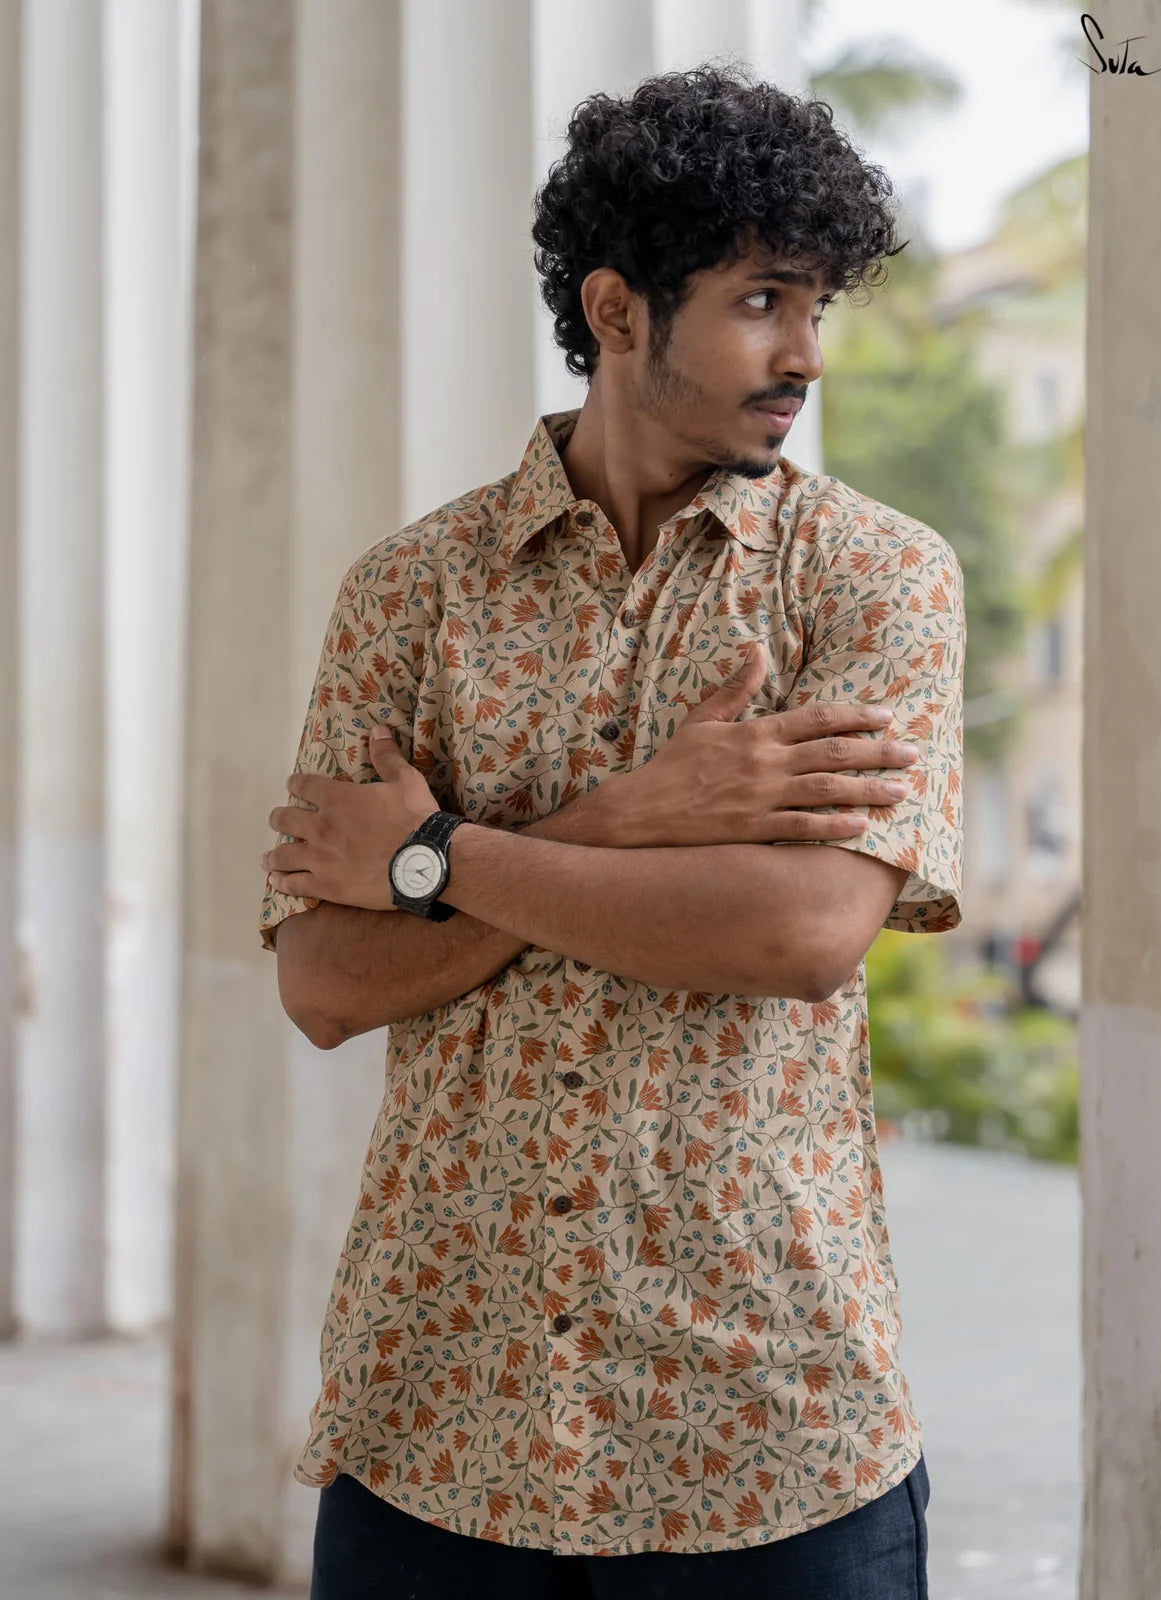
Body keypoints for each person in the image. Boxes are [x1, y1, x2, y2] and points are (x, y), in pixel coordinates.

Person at [259, 60, 963, 1600]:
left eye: (817, 307)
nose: (805, 354)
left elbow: (800, 934)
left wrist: (435, 859)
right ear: (619, 309)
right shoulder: (412, 591)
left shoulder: (873, 579)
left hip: (768, 1426)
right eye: (763, 301)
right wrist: (638, 819)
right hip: (440, 1418)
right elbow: (322, 980)